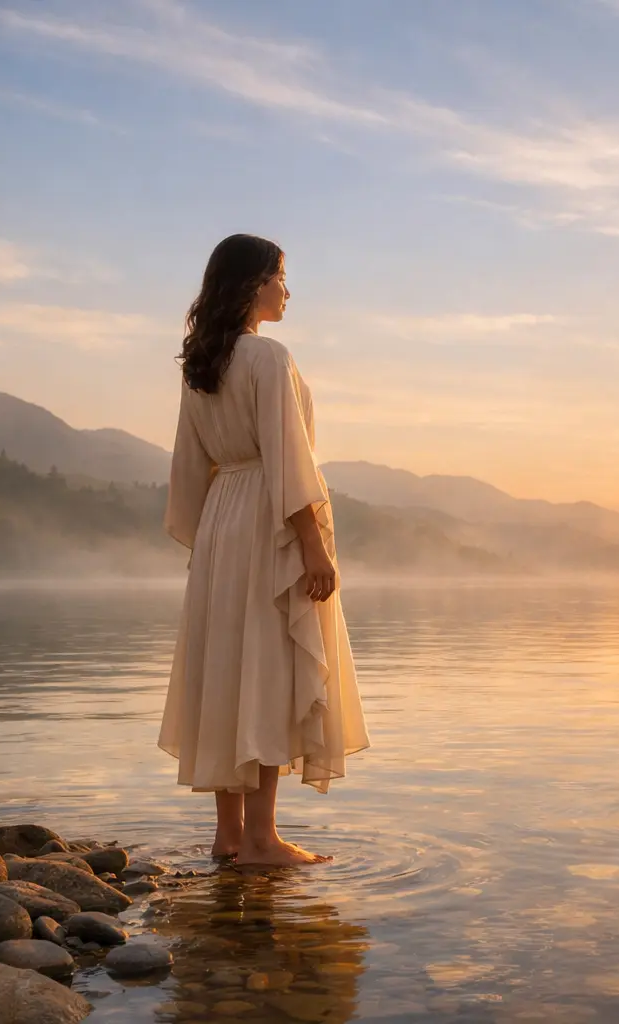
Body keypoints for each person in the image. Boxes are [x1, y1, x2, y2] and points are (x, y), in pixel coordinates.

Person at [160, 233, 369, 866]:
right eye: (280, 276)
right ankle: (262, 839)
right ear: (253, 284)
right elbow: (287, 459)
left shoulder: (202, 365)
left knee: (229, 673)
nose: (287, 290)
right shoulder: (267, 357)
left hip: (222, 520)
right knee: (270, 672)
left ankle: (228, 837)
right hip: (267, 520)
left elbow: (190, 465)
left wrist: (207, 542)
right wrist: (314, 547)